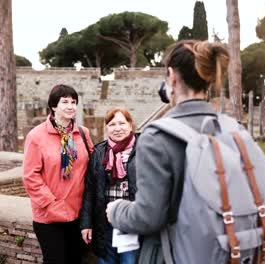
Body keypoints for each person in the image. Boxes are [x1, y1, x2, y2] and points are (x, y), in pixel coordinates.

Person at [106, 40, 229, 263]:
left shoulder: (156, 137)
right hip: (220, 249)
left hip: (173, 253)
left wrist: (116, 210)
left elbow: (148, 217)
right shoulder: (232, 131)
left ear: (171, 77)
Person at [23, 84, 93, 264]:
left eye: (73, 102)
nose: (70, 106)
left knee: (75, 260)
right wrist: (51, 203)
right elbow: (30, 176)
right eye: (65, 102)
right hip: (49, 216)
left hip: (77, 214)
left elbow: (92, 168)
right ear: (54, 106)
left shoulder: (83, 134)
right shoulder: (36, 136)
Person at [80, 107, 139, 264]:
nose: (117, 128)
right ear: (106, 128)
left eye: (122, 123)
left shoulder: (143, 149)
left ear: (130, 125)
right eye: (112, 124)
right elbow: (89, 191)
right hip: (104, 224)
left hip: (132, 222)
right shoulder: (99, 152)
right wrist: (86, 223)